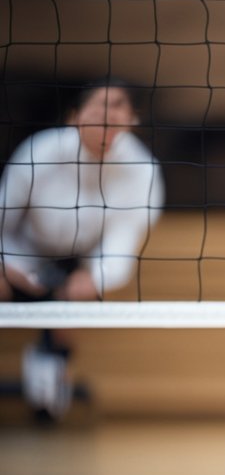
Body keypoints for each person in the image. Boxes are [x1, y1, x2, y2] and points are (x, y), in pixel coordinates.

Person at [0, 80, 164, 419]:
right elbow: (4, 217)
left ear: (132, 119)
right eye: (100, 105)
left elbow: (121, 246)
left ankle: (50, 370)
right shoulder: (40, 152)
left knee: (77, 305)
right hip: (19, 251)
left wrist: (93, 279)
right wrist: (8, 267)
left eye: (119, 105)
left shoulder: (142, 172)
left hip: (77, 261)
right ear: (74, 117)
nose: (109, 113)